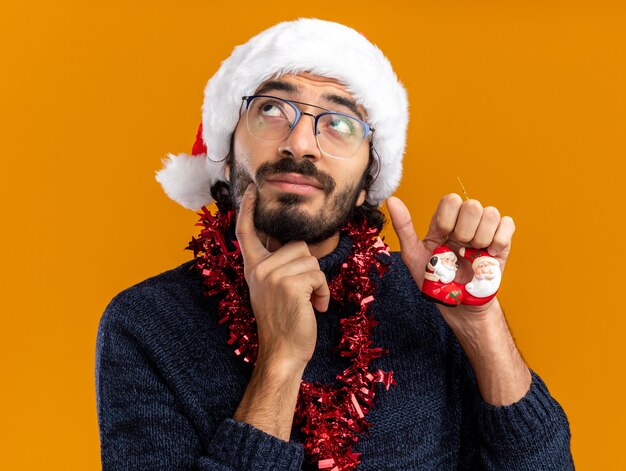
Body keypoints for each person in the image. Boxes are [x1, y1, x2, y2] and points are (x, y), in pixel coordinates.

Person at [95, 18, 574, 470]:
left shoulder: (428, 295)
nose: (300, 142)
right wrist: (279, 363)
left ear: (368, 180)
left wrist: (479, 323)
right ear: (224, 154)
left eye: (339, 123)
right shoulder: (145, 324)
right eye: (271, 110)